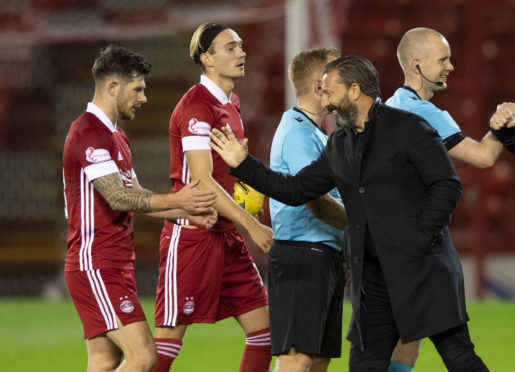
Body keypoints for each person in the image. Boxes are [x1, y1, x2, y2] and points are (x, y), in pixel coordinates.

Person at [210, 55, 489, 371]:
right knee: (365, 364)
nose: (325, 101)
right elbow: (297, 189)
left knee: (459, 357)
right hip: (373, 279)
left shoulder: (411, 129)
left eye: (330, 92)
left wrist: (419, 239)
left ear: (355, 91)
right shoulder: (339, 143)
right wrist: (244, 165)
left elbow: (447, 186)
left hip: (422, 270)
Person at [62, 44, 218, 372]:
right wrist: (179, 199)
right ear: (113, 86)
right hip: (96, 264)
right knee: (145, 356)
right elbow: (117, 198)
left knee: (105, 360)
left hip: (114, 264)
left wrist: (187, 213)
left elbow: (138, 196)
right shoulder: (88, 132)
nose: (144, 98)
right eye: (138, 89)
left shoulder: (116, 135)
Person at [152, 22, 273, 372]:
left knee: (265, 337)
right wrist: (252, 225)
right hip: (192, 238)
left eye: (241, 46)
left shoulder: (230, 103)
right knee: (162, 352)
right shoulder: (196, 107)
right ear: (207, 58)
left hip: (225, 235)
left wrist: (249, 194)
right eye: (231, 47)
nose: (241, 52)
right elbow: (203, 182)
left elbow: (229, 175)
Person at [385, 27, 504, 371]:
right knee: (457, 350)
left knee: (402, 342)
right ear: (417, 64)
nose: (450, 66)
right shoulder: (425, 113)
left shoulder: (387, 108)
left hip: (392, 249)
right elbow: (483, 156)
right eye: (443, 59)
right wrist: (503, 126)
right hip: (426, 251)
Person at [268, 48, 347, 372]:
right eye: (340, 78)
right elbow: (314, 200)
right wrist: (360, 222)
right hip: (302, 254)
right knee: (297, 357)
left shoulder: (315, 133)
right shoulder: (299, 133)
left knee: (317, 359)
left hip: (321, 253)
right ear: (319, 86)